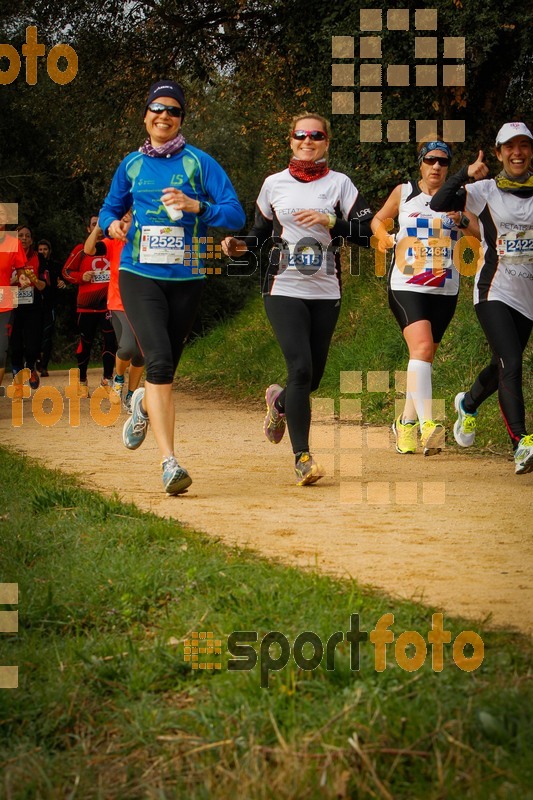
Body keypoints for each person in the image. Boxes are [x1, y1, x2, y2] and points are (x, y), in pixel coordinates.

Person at [98, 79, 246, 494]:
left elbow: (234, 214)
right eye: (157, 109)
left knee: (167, 371)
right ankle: (170, 463)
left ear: (181, 119)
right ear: (146, 116)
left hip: (187, 277)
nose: (164, 116)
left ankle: (143, 401)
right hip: (138, 274)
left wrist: (197, 205)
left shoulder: (200, 164)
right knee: (159, 362)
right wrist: (113, 223)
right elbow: (110, 206)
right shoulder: (131, 165)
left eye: (173, 110)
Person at [222, 113, 372, 486]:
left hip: (326, 290)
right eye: (300, 135)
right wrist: (238, 246)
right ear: (290, 140)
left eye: (316, 135)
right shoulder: (274, 184)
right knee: (301, 369)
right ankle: (302, 458)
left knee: (312, 378)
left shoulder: (341, 185)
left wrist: (331, 222)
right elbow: (259, 235)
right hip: (282, 287)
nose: (308, 140)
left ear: (327, 142)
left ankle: (279, 402)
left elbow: (368, 233)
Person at [430, 122, 533, 475]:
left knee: (502, 364)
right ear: (499, 152)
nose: (516, 153)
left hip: (528, 296)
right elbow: (439, 202)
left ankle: (468, 403)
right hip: (493, 290)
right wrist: (464, 173)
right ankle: (521, 442)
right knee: (512, 362)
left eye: (523, 146)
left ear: (530, 151)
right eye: (509, 147)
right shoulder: (485, 189)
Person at [371, 140, 479, 456]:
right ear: (421, 163)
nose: (436, 167)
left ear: (448, 168)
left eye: (443, 162)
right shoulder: (404, 193)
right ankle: (429, 425)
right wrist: (384, 236)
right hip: (406, 284)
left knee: (423, 357)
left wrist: (460, 218)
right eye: (430, 160)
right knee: (420, 348)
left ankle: (404, 423)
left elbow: (476, 234)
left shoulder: (459, 196)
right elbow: (378, 220)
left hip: (444, 288)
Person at [87, 213, 144, 413]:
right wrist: (98, 227)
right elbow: (89, 250)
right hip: (119, 303)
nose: (126, 223)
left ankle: (131, 396)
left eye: (130, 219)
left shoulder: (146, 241)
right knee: (127, 347)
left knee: (141, 354)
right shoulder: (112, 243)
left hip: (144, 304)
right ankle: (118, 379)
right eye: (123, 219)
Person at [62, 215, 117, 397]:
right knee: (86, 342)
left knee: (110, 342)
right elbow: (66, 271)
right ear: (88, 229)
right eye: (95, 224)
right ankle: (82, 380)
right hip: (86, 305)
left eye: (102, 224)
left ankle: (107, 380)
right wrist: (81, 277)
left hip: (109, 304)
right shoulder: (81, 249)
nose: (99, 228)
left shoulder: (114, 246)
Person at [10, 225, 49, 390]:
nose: (24, 238)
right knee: (15, 345)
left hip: (33, 307)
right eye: (20, 235)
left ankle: (31, 366)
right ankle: (17, 376)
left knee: (33, 345)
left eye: (27, 236)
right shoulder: (7, 256)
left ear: (31, 240)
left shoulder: (38, 258)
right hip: (11, 307)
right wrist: (12, 282)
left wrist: (33, 280)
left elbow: (43, 286)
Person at [0, 206, 26, 389]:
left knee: (1, 352)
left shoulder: (12, 242)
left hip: (5, 301)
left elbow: (21, 270)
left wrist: (23, 277)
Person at [36, 239, 66, 376]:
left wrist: (63, 283)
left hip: (50, 304)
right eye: (40, 249)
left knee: (47, 335)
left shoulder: (56, 266)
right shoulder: (33, 264)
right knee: (35, 334)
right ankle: (35, 360)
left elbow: (65, 279)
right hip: (34, 305)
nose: (43, 252)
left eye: (45, 249)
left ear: (50, 251)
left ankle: (44, 366)